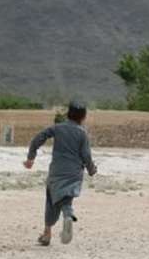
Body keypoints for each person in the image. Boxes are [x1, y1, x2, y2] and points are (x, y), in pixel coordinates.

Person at [25, 101, 97, 246]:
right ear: (83, 117)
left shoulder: (57, 128)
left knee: (51, 200)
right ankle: (68, 215)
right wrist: (91, 169)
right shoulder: (82, 134)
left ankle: (47, 234)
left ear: (68, 114)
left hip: (57, 171)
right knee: (66, 198)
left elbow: (37, 139)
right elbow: (86, 155)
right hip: (74, 173)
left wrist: (31, 157)